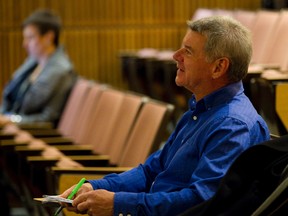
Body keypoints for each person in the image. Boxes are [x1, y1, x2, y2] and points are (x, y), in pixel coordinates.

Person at [60, 16, 270, 216]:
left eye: (187, 51)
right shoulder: (199, 111)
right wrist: (95, 187)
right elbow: (151, 171)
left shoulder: (232, 125)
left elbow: (201, 202)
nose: (175, 56)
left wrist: (118, 204)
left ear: (218, 67)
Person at [0, 9, 76, 126]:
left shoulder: (62, 72)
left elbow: (48, 119)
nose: (24, 44)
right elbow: (10, 93)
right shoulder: (32, 63)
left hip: (32, 134)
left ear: (48, 37)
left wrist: (12, 120)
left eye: (30, 38)